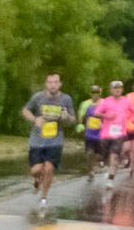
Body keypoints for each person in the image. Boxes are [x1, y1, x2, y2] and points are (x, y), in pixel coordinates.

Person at [21, 74, 74, 210]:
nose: (53, 85)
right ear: (46, 84)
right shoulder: (38, 97)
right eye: (50, 82)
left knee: (49, 169)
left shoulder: (66, 99)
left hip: (55, 141)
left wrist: (66, 117)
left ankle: (44, 198)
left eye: (55, 82)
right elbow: (25, 110)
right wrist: (35, 120)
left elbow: (72, 119)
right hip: (37, 140)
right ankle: (37, 180)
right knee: (36, 169)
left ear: (60, 84)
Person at [94, 80, 131, 186]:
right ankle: (107, 166)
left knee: (114, 155)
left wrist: (132, 118)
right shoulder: (106, 101)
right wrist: (106, 116)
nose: (117, 90)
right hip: (106, 134)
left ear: (122, 90)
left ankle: (111, 178)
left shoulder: (126, 101)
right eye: (115, 88)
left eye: (119, 88)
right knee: (106, 156)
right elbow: (96, 113)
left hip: (120, 133)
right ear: (111, 90)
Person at [77, 86, 103, 176]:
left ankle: (94, 164)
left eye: (97, 92)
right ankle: (90, 169)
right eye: (93, 92)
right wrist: (80, 124)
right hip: (89, 132)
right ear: (90, 93)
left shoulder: (104, 103)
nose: (95, 95)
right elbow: (81, 115)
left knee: (97, 153)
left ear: (100, 93)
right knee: (89, 152)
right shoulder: (86, 104)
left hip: (101, 133)